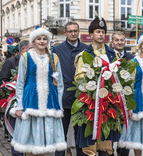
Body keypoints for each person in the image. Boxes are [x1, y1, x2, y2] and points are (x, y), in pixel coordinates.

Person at [11, 27, 67, 155]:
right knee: (30, 142)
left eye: (44, 39)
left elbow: (60, 84)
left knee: (48, 141)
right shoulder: (26, 57)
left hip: (50, 101)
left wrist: (59, 104)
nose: (42, 41)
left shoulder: (54, 57)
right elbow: (20, 83)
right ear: (33, 41)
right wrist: (19, 105)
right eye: (39, 39)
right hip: (31, 99)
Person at [74, 16, 119, 156]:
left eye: (103, 32)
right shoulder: (84, 55)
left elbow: (119, 78)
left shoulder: (113, 54)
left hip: (109, 104)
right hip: (91, 105)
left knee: (107, 146)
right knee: (90, 145)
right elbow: (78, 78)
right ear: (91, 34)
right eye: (98, 31)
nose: (101, 34)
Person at [52, 21, 88, 156]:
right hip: (63, 97)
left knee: (81, 134)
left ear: (79, 32)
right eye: (70, 31)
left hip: (82, 98)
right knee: (61, 132)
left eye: (75, 31)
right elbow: (53, 71)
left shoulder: (86, 49)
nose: (73, 33)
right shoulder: (57, 49)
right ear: (65, 33)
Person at [0, 40, 31, 155]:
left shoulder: (34, 62)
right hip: (15, 103)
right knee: (16, 134)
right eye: (31, 49)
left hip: (31, 103)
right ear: (23, 50)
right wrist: (12, 88)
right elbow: (2, 81)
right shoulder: (11, 62)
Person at [110, 31, 134, 156]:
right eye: (117, 40)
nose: (119, 42)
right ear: (112, 42)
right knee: (109, 136)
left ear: (125, 42)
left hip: (125, 101)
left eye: (121, 40)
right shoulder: (107, 56)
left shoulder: (131, 59)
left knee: (125, 134)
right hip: (110, 101)